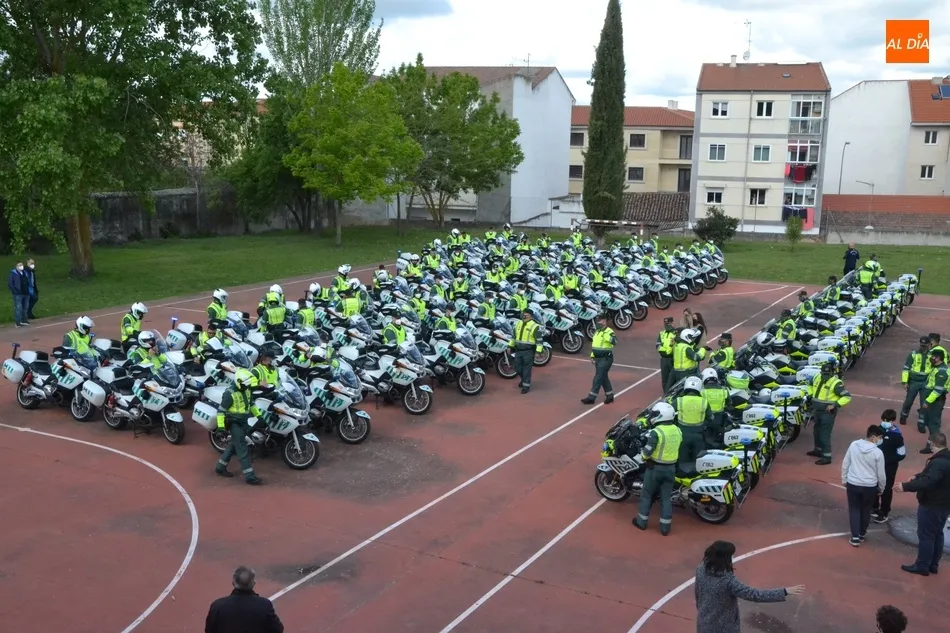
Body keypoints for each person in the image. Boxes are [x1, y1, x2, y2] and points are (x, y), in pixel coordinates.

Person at [694, 540, 804, 633]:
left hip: (704, 623)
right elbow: (754, 595)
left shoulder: (700, 569)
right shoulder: (728, 581)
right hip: (724, 627)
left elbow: (698, 594)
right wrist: (784, 591)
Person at [894, 431, 950, 576]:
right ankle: (933, 564)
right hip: (944, 504)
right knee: (937, 534)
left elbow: (929, 481)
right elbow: (935, 476)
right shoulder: (946, 459)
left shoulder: (938, 462)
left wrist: (905, 486)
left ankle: (922, 565)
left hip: (932, 504)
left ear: (932, 443)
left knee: (926, 535)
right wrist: (918, 476)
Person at [633, 402, 681, 535]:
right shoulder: (677, 430)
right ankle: (665, 528)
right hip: (671, 468)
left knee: (647, 495)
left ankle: (641, 522)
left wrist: (643, 456)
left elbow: (647, 451)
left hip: (655, 469)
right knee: (666, 498)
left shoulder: (657, 432)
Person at [215, 368, 264, 485]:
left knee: (234, 444)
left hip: (244, 421)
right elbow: (221, 411)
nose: (247, 387)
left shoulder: (246, 389)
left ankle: (220, 467)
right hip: (234, 423)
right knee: (242, 448)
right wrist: (221, 427)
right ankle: (250, 477)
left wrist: (259, 416)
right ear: (239, 382)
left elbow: (251, 404)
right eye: (245, 385)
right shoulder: (229, 394)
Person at [841, 424, 886, 546]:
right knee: (866, 509)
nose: (880, 440)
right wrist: (881, 487)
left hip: (853, 483)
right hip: (870, 486)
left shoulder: (854, 445)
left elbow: (846, 463)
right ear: (873, 437)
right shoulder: (878, 453)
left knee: (854, 509)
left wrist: (844, 479)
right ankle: (862, 533)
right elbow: (881, 474)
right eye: (880, 437)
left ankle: (855, 537)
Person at [205, 566, 283, 633]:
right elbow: (277, 630)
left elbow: (209, 630)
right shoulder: (264, 605)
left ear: (233, 583)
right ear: (253, 583)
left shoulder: (217, 606)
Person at [806, 361, 852, 465]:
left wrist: (835, 404)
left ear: (832, 373)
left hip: (828, 413)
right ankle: (818, 450)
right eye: (824, 374)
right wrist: (810, 394)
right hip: (817, 410)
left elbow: (847, 397)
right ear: (821, 372)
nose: (825, 376)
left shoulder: (836, 383)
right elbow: (809, 385)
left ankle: (826, 457)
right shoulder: (816, 377)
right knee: (816, 431)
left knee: (824, 434)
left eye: (827, 374)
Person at [873, 409, 906, 523]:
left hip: (889, 467)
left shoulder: (897, 436)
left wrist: (886, 460)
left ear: (893, 421)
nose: (885, 422)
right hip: (875, 465)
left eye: (887, 420)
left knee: (886, 489)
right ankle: (874, 507)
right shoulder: (877, 430)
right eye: (883, 420)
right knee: (874, 484)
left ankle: (884, 512)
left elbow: (901, 454)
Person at [675, 376, 711, 465]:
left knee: (682, 460)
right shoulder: (704, 401)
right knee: (698, 461)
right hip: (698, 435)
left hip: (682, 436)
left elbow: (669, 415)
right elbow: (710, 418)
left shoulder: (679, 401)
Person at [581, 314, 615, 405]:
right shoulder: (597, 332)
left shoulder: (609, 331)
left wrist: (606, 336)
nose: (597, 323)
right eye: (597, 321)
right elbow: (595, 346)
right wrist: (592, 356)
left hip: (605, 359)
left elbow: (614, 341)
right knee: (603, 377)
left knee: (598, 378)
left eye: (599, 321)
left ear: (604, 321)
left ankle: (591, 398)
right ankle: (610, 395)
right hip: (598, 359)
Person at [919, 348, 948, 454]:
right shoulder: (937, 367)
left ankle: (937, 447)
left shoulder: (942, 371)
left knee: (934, 424)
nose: (931, 358)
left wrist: (927, 402)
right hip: (932, 399)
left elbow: (937, 390)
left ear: (938, 358)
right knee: (930, 423)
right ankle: (930, 445)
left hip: (935, 401)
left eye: (933, 356)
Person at [900, 336, 933, 426]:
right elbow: (906, 368)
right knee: (908, 401)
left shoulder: (932, 356)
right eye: (921, 345)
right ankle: (903, 416)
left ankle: (921, 424)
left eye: (924, 345)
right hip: (913, 382)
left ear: (929, 345)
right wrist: (905, 382)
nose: (923, 347)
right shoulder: (913, 354)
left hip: (926, 383)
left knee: (924, 404)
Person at [511, 309, 542, 394]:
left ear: (530, 316)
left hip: (528, 351)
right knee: (517, 368)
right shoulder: (518, 323)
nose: (523, 315)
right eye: (523, 314)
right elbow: (513, 336)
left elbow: (539, 341)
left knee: (527, 370)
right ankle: (524, 379)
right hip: (518, 350)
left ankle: (526, 386)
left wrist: (538, 352)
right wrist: (510, 346)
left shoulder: (535, 326)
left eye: (525, 314)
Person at [668, 328, 709, 393]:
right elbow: (697, 357)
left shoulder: (678, 345)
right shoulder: (686, 348)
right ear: (686, 337)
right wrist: (703, 349)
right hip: (687, 373)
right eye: (691, 337)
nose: (693, 339)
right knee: (687, 390)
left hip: (678, 372)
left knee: (679, 390)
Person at [656, 316, 676, 392]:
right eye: (665, 324)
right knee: (665, 377)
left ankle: (674, 393)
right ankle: (666, 393)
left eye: (668, 323)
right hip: (664, 358)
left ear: (672, 323)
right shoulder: (661, 333)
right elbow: (658, 345)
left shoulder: (676, 334)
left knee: (674, 377)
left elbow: (676, 346)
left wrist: (668, 350)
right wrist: (666, 351)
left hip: (673, 358)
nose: (667, 325)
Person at [7, 261, 30, 327]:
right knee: (18, 308)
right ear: (16, 266)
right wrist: (15, 291)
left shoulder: (25, 273)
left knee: (25, 307)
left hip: (26, 293)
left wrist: (29, 290)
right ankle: (17, 322)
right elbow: (10, 284)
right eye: (19, 265)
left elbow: (28, 281)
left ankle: (24, 320)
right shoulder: (13, 274)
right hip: (18, 294)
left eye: (21, 265)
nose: (21, 266)